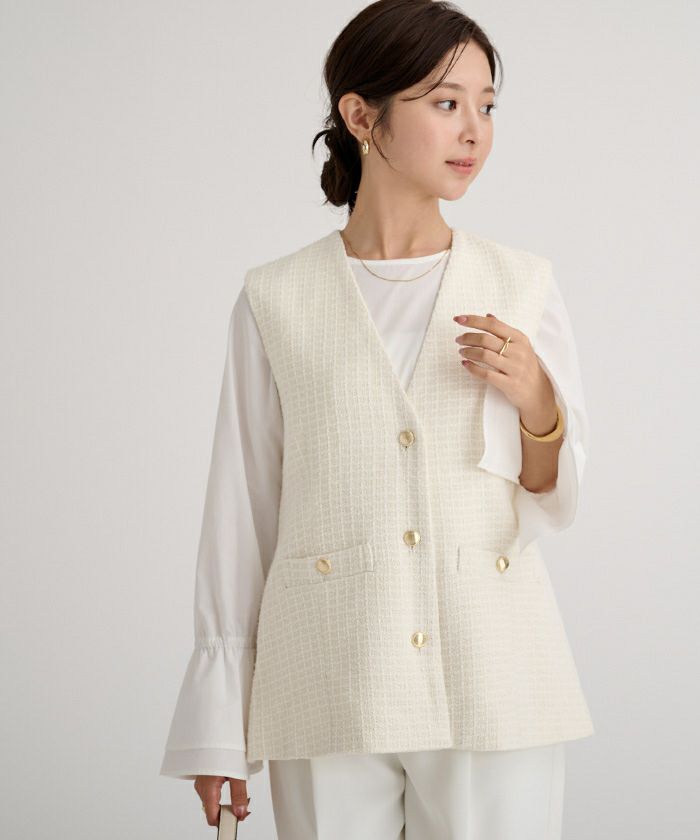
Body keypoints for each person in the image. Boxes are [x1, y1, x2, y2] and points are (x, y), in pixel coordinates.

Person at [159, 2, 595, 837]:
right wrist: (219, 721)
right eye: (446, 102)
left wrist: (539, 403)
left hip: (494, 676)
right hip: (328, 673)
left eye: (487, 105)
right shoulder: (275, 299)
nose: (474, 130)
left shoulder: (523, 284)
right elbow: (242, 512)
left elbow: (550, 500)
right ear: (362, 116)